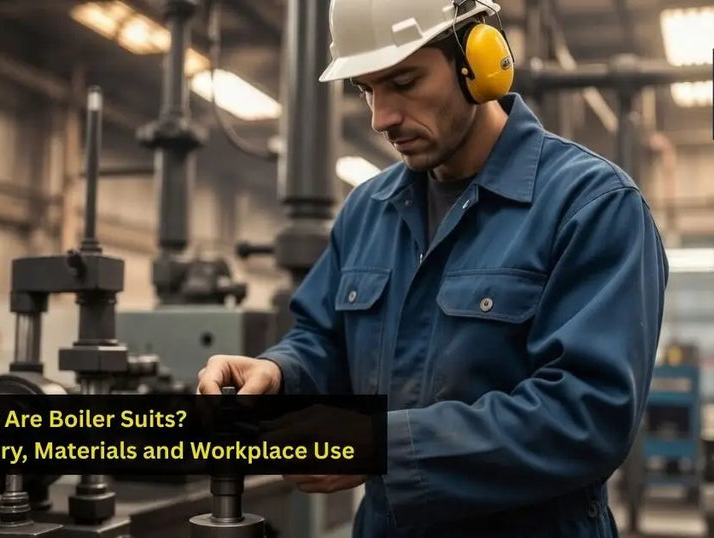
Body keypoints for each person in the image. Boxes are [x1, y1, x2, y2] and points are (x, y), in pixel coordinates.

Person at [197, 0, 669, 536]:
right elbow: (324, 341)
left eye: (403, 81)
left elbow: (587, 416)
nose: (382, 118)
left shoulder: (592, 206)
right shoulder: (367, 210)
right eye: (367, 89)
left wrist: (380, 445)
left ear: (478, 61)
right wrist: (280, 372)